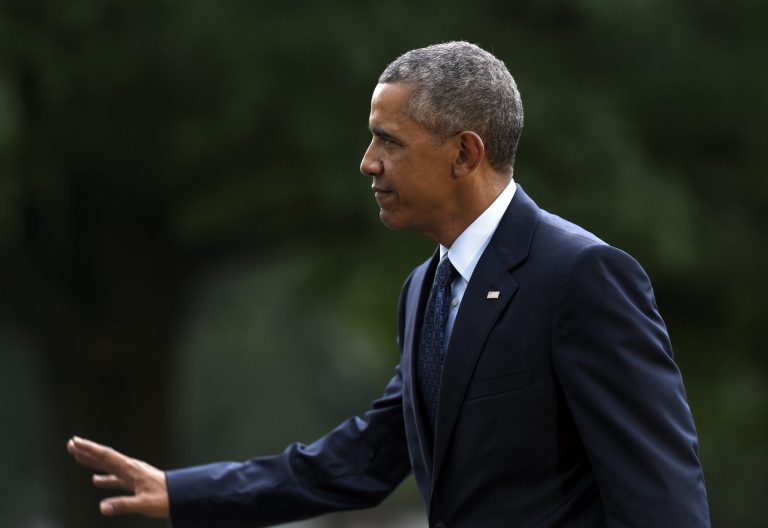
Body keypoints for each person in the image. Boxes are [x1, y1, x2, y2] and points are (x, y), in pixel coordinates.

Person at [67, 41, 711, 527]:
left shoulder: (582, 277)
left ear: (464, 153)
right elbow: (367, 459)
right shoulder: (424, 290)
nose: (367, 163)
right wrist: (184, 492)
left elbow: (661, 498)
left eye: (388, 142)